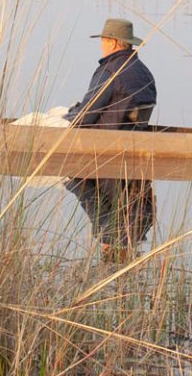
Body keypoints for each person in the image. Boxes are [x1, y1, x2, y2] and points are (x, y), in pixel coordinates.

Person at [63, 18, 158, 260]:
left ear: (114, 42)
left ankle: (108, 239)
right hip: (133, 149)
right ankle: (115, 244)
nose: (102, 46)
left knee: (71, 178)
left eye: (104, 41)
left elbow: (86, 116)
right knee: (120, 211)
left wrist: (69, 115)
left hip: (106, 151)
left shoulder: (110, 70)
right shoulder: (143, 70)